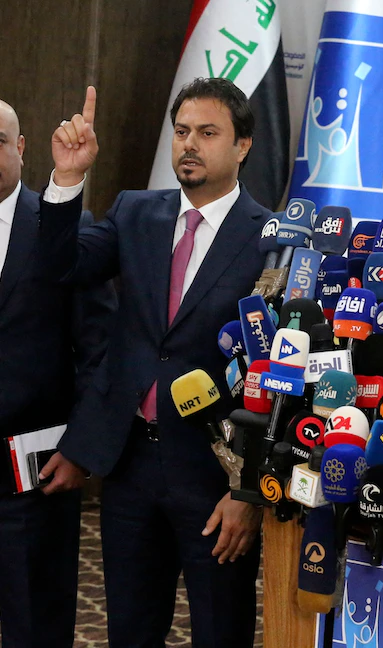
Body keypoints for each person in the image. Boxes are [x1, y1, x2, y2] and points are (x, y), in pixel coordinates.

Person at [38, 78, 271, 647]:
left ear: (242, 145)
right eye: (182, 131)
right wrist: (68, 180)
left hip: (215, 474)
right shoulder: (136, 212)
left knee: (220, 632)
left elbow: (280, 378)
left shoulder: (271, 237)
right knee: (130, 632)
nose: (189, 144)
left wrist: (249, 492)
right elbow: (62, 267)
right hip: (131, 467)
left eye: (208, 133)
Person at [0, 99, 115, 645]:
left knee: (35, 626)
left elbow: (99, 348)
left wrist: (80, 447)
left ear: (21, 148)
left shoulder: (63, 226)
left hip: (34, 474)